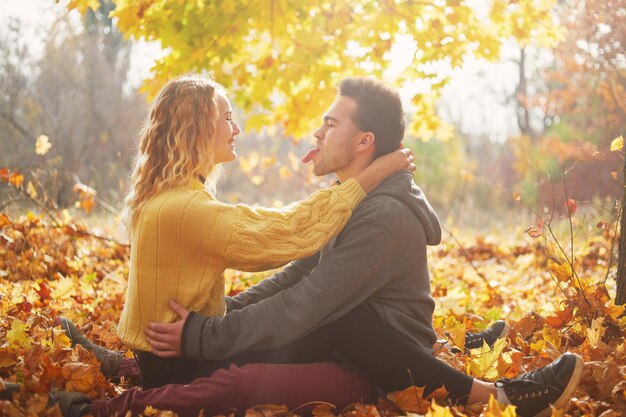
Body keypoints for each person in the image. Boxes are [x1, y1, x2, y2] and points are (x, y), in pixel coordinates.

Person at [1, 78, 582, 417]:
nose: (315, 133)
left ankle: (94, 406)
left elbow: (306, 296)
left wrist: (205, 332)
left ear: (363, 142)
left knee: (253, 371)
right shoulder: (352, 203)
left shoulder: (378, 216)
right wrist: (217, 322)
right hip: (333, 338)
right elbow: (295, 276)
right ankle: (134, 369)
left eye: (329, 124)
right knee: (253, 343)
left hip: (363, 358)